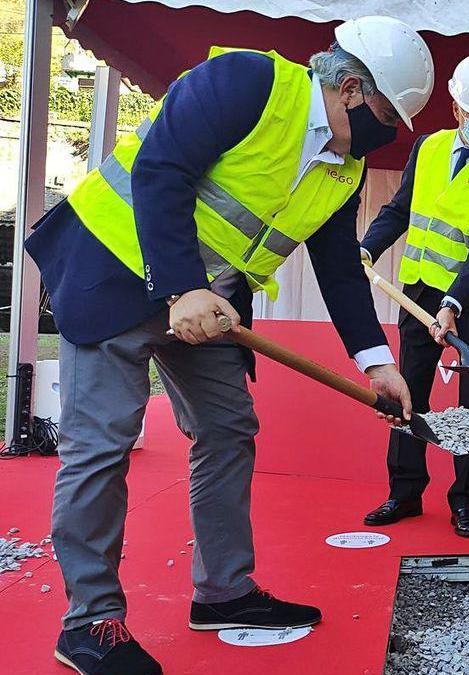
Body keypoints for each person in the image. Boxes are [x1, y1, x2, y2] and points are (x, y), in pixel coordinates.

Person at [25, 17, 434, 674]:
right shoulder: (248, 81)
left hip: (207, 304)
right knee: (101, 442)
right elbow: (160, 168)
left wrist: (377, 362)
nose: (389, 135)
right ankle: (90, 622)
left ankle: (223, 591)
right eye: (389, 114)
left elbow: (337, 267)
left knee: (229, 426)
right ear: (353, 88)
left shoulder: (344, 169)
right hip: (114, 267)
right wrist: (180, 287)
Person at [359, 56, 469, 539]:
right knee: (406, 392)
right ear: (455, 108)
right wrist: (367, 246)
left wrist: (453, 304)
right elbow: (399, 210)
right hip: (417, 294)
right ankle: (405, 493)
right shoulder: (429, 148)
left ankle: (465, 504)